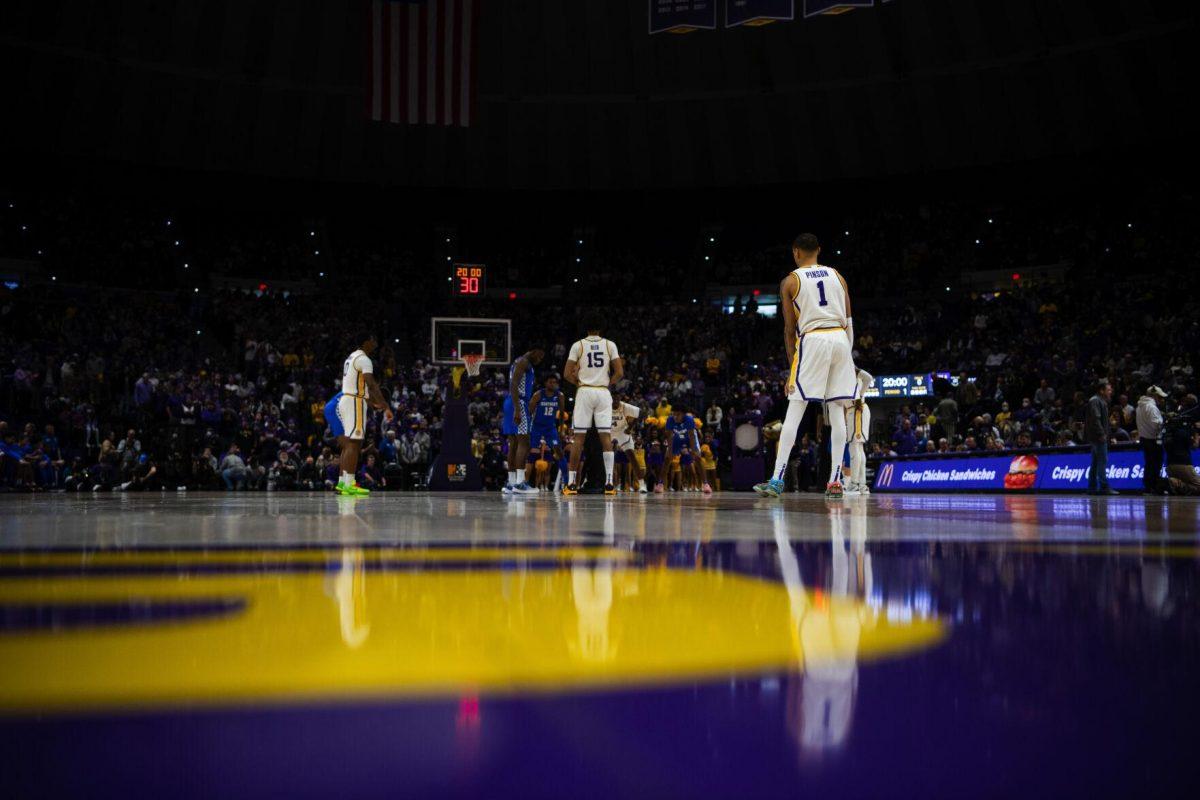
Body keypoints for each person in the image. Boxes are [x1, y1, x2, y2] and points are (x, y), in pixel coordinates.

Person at [756, 233, 857, 499]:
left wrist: (793, 367)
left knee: (796, 407)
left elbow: (790, 329)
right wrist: (848, 355)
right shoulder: (838, 276)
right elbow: (849, 321)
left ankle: (777, 479)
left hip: (813, 340)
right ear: (819, 250)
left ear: (796, 252)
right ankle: (835, 481)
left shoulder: (791, 280)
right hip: (839, 338)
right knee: (836, 413)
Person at [562, 315, 623, 496]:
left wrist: (579, 381)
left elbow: (566, 373)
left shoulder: (578, 345)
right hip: (603, 392)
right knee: (606, 438)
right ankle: (609, 484)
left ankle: (572, 484)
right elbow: (619, 372)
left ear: (585, 329)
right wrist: (607, 383)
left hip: (585, 391)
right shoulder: (609, 344)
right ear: (601, 329)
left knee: (578, 439)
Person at [331, 334, 393, 496]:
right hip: (354, 402)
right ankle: (349, 483)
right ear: (365, 342)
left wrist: (373, 403)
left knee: (351, 444)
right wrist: (385, 405)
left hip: (348, 399)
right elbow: (371, 384)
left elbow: (360, 386)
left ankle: (343, 483)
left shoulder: (352, 357)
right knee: (354, 444)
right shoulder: (364, 359)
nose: (375, 343)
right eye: (373, 340)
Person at [502, 347, 546, 496]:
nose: (540, 360)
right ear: (533, 351)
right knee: (524, 443)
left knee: (513, 443)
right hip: (518, 403)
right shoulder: (524, 362)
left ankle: (511, 482)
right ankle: (520, 484)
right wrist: (518, 409)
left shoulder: (517, 362)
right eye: (540, 356)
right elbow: (514, 384)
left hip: (511, 402)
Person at [528, 375, 566, 491]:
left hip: (550, 428)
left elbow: (562, 414)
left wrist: (561, 429)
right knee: (530, 452)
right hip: (537, 427)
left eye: (554, 382)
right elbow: (529, 412)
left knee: (558, 451)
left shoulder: (559, 396)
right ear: (545, 383)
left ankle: (567, 479)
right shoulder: (538, 395)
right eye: (550, 382)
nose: (552, 384)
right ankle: (524, 481)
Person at [663, 405, 710, 494]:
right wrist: (670, 449)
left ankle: (704, 484)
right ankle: (662, 484)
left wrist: (692, 449)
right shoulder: (671, 420)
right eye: (674, 414)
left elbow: (693, 436)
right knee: (670, 461)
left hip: (689, 438)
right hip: (677, 437)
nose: (676, 416)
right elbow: (669, 434)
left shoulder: (690, 420)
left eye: (678, 414)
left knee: (696, 462)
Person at [844, 369, 875, 496]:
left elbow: (869, 378)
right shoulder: (846, 376)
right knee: (859, 448)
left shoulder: (853, 375)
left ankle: (855, 484)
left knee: (854, 447)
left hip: (857, 411)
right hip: (855, 411)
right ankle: (862, 485)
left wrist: (859, 371)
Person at [1085, 378, 1117, 495]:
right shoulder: (1095, 401)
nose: (1110, 392)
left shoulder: (1100, 401)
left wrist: (1109, 435)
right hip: (1098, 437)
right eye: (1108, 390)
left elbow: (1103, 422)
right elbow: (1096, 419)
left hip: (1098, 436)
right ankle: (1104, 486)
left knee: (1095, 462)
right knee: (1102, 461)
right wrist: (1101, 434)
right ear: (1101, 390)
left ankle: (1092, 487)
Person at [610, 396, 647, 493]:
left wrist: (630, 427)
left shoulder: (624, 406)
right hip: (609, 431)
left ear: (619, 400)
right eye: (613, 399)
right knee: (601, 456)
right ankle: (607, 483)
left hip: (622, 431)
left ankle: (642, 485)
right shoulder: (605, 406)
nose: (615, 401)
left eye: (617, 399)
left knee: (632, 457)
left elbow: (642, 413)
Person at [1136, 385, 1168, 494]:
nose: (1161, 399)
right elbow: (1156, 425)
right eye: (1159, 397)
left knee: (1149, 463)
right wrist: (1165, 422)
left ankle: (1148, 487)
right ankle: (1154, 487)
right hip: (1154, 440)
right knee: (1155, 464)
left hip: (1144, 439)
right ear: (1154, 396)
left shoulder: (1140, 406)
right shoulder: (1152, 407)